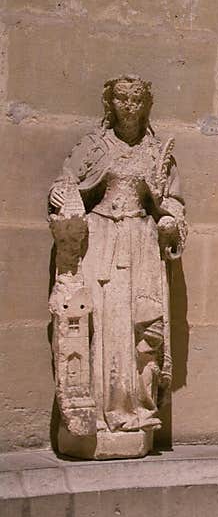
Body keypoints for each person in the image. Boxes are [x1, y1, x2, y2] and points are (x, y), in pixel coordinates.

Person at [49, 75, 186, 444]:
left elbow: (172, 201)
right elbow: (63, 183)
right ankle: (97, 412)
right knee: (104, 326)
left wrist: (170, 219)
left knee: (139, 330)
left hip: (141, 244)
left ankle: (137, 410)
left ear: (146, 105)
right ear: (111, 103)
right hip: (101, 240)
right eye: (122, 99)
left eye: (136, 100)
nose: (129, 106)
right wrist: (64, 198)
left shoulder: (158, 153)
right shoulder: (94, 147)